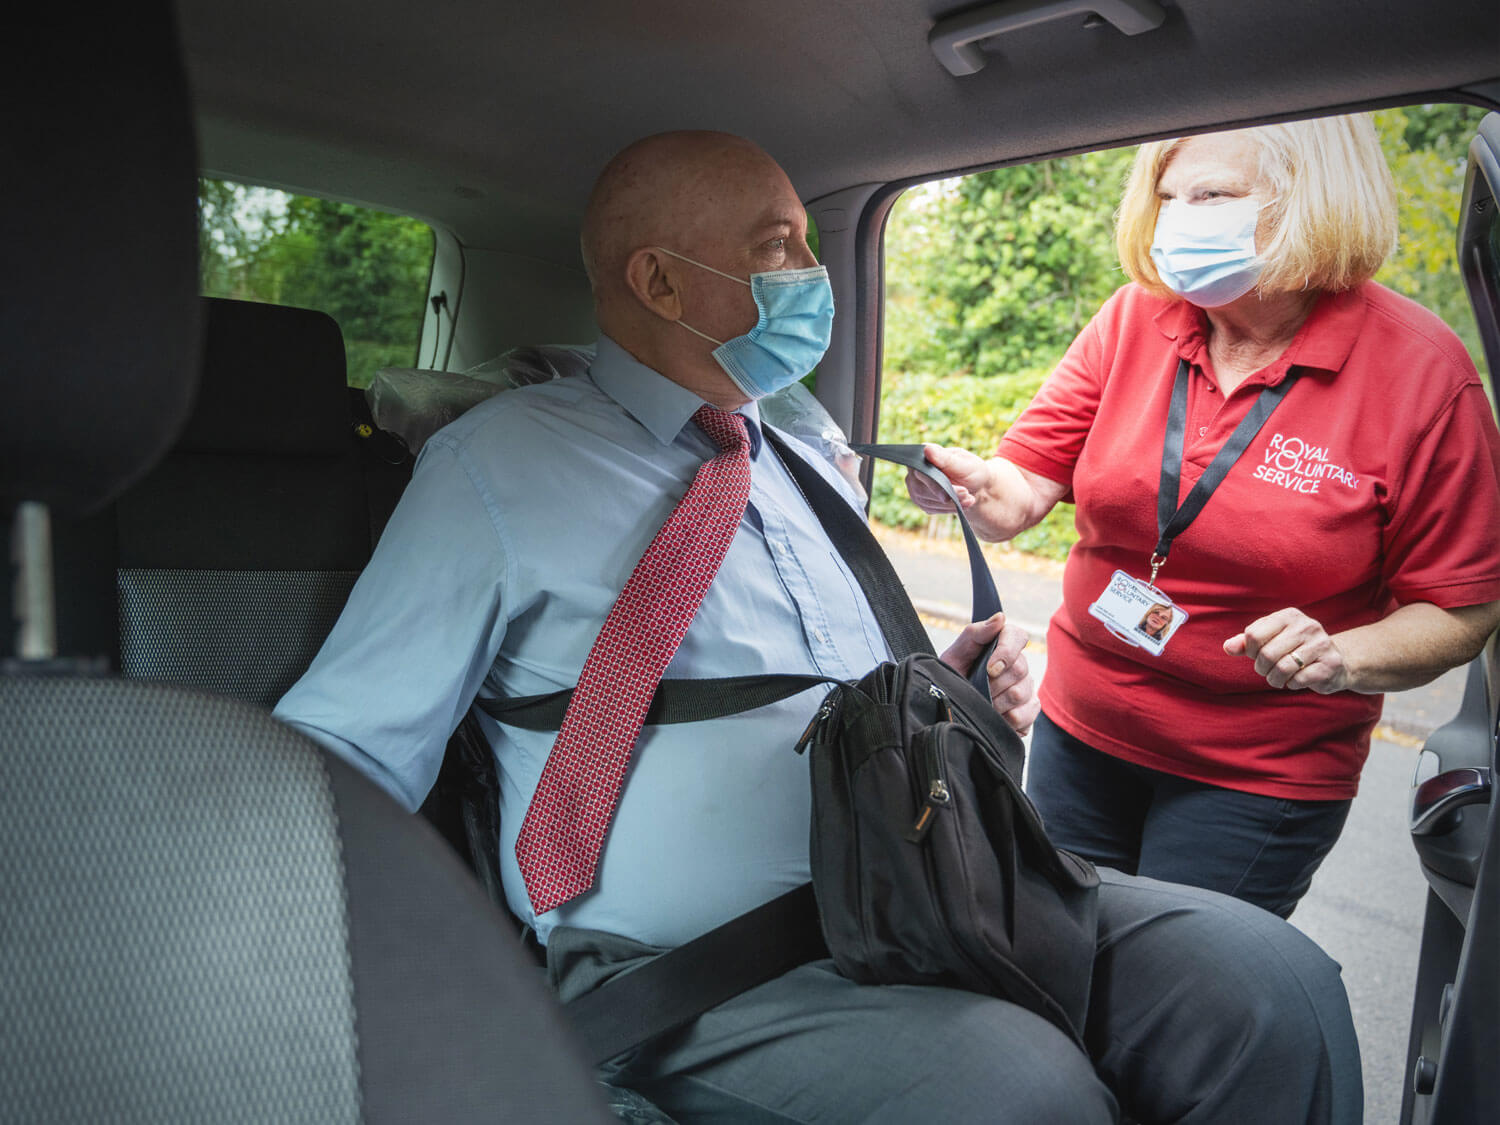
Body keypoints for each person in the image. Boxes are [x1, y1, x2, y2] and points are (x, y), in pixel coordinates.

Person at [276, 129, 1360, 1123]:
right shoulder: (497, 466)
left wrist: (949, 695)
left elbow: (825, 680)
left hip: (931, 882)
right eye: (779, 246)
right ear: (658, 279)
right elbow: (342, 751)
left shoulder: (798, 448)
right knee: (1020, 1093)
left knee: (1274, 989)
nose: (811, 276)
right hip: (694, 963)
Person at [907, 115, 1500, 919]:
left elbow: (1462, 609)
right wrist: (980, 487)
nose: (1179, 218)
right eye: (1168, 194)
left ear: (1311, 200)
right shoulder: (1132, 319)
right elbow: (1024, 487)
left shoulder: (1424, 375)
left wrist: (1341, 655)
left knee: (1167, 1003)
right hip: (1081, 732)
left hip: (1256, 775)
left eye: (1212, 193)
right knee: (1052, 957)